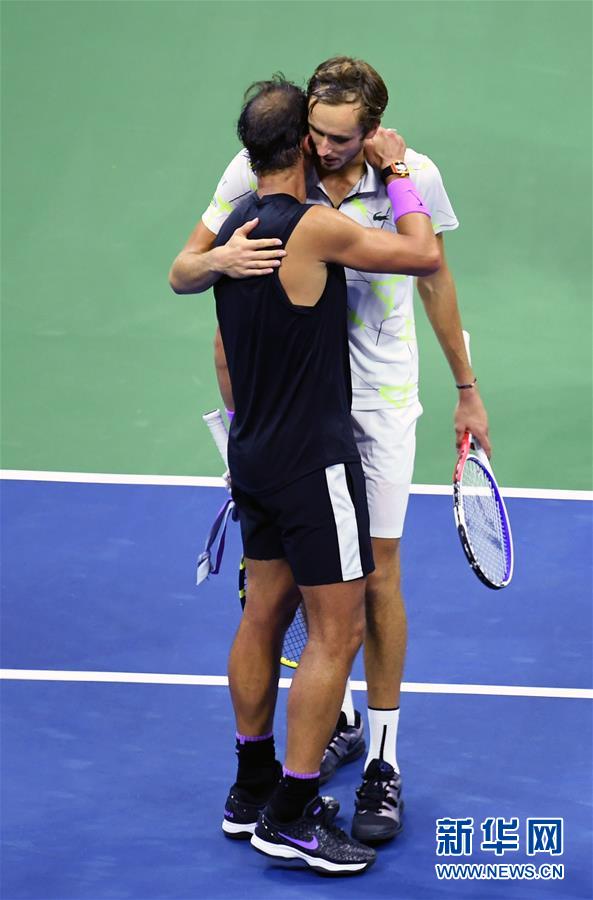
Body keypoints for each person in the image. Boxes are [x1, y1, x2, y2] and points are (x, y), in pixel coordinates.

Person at [170, 56, 490, 846]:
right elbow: (187, 264)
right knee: (283, 603)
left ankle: (380, 757)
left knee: (373, 577)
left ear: (372, 131)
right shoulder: (266, 169)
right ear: (297, 130)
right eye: (314, 132)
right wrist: (217, 261)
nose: (324, 147)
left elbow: (433, 274)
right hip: (298, 412)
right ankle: (296, 774)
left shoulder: (411, 174)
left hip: (373, 404)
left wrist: (465, 386)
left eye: (341, 138)